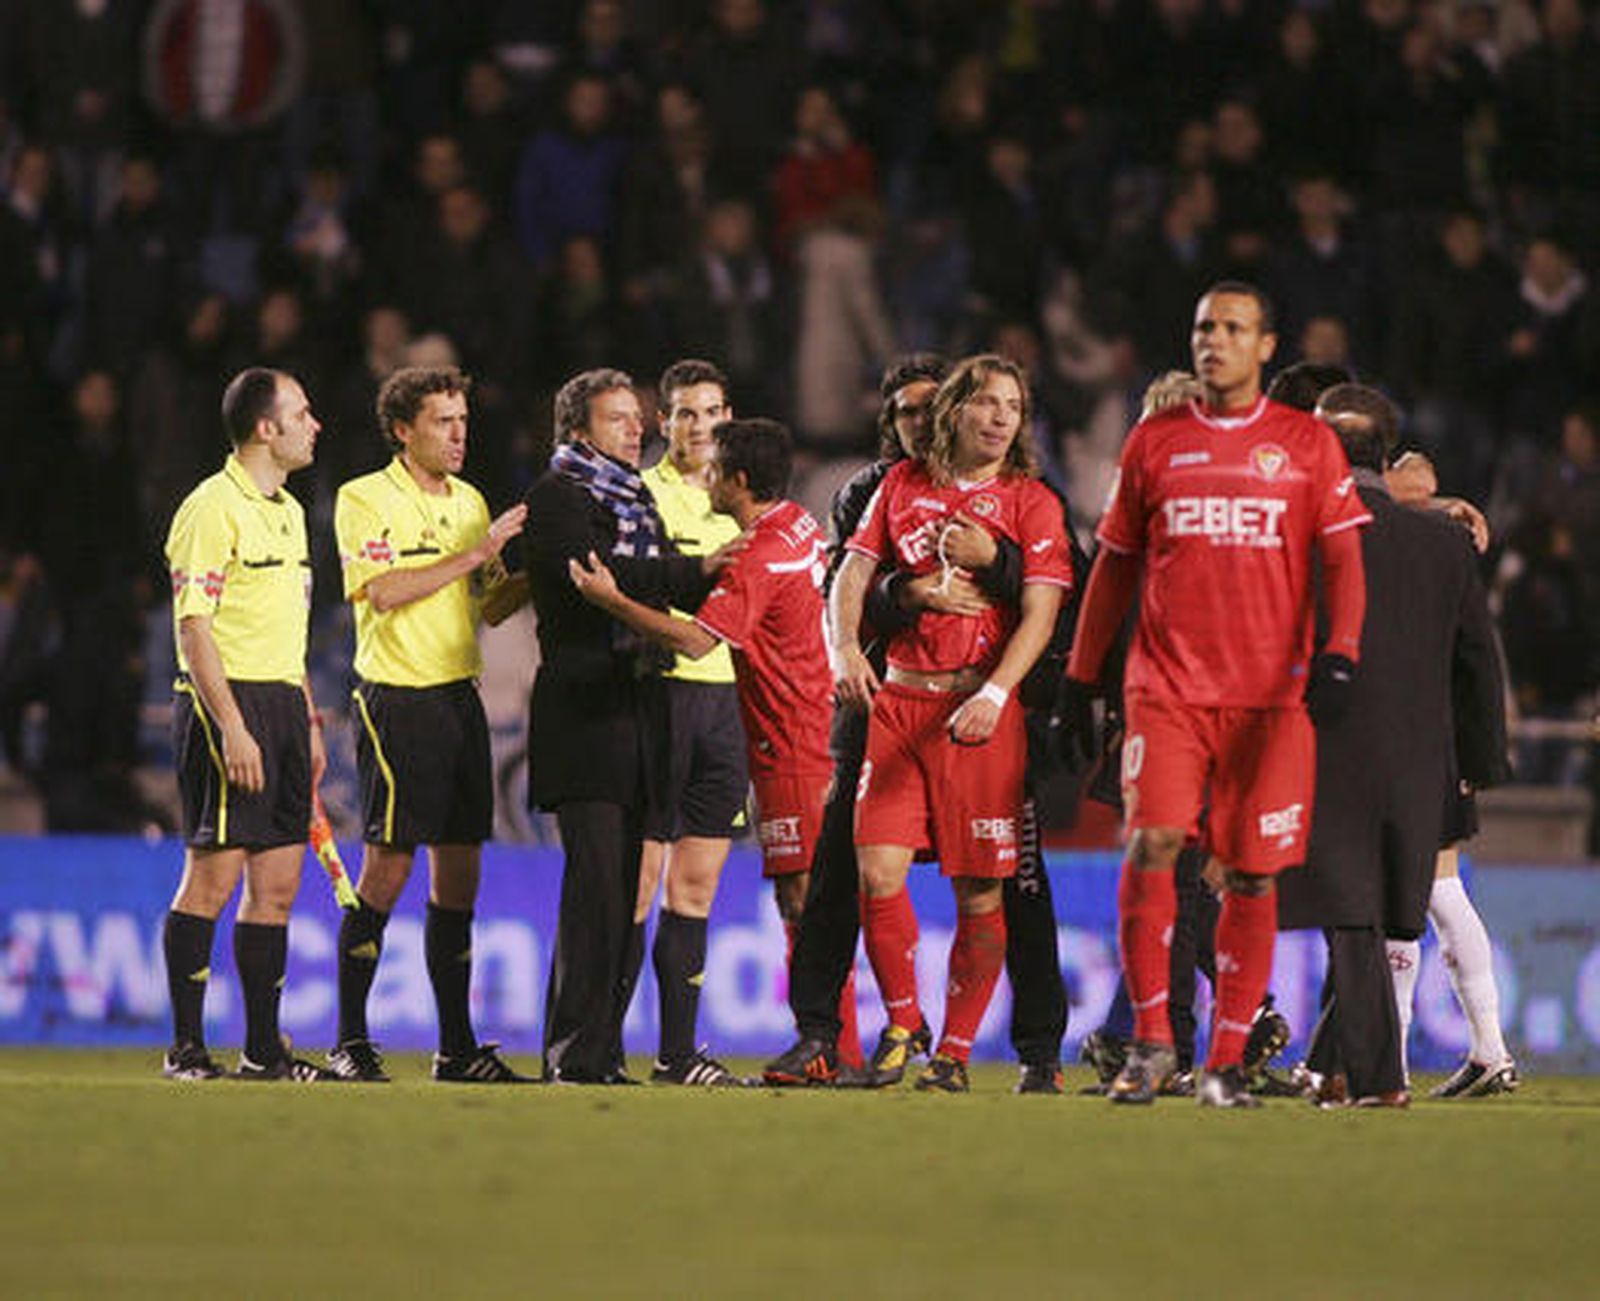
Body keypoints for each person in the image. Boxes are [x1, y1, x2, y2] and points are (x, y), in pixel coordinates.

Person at [1064, 282, 1371, 1107]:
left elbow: (1343, 561)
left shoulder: (1307, 445)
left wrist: (1340, 653)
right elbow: (1116, 564)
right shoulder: (1155, 441)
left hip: (1270, 698)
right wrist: (1081, 674)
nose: (1216, 341)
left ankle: (1227, 1060)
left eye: (1234, 328)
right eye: (1204, 327)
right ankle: (1152, 1041)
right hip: (1165, 689)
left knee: (1249, 875)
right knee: (1154, 841)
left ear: (1267, 345)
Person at [763, 353, 1077, 1093]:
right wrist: (845, 644)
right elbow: (848, 571)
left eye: (1013, 406)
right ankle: (904, 1021)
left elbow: (1047, 606)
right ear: (955, 413)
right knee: (872, 870)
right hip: (898, 703)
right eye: (988, 403)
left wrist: (998, 691)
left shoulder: (1032, 500)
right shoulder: (895, 486)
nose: (1001, 417)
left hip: (979, 710)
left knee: (986, 892)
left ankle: (961, 1055)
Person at [570, 417, 854, 1084]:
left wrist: (614, 600)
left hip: (795, 742)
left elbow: (699, 642)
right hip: (808, 730)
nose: (707, 476)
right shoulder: (799, 527)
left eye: (717, 467)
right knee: (807, 896)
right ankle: (824, 1046)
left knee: (804, 898)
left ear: (740, 480)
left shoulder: (758, 553)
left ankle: (828, 1046)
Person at [1277, 383, 1510, 1107]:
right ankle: (1348, 1065)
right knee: (1382, 912)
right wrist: (1480, 761)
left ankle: (1366, 1072)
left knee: (1351, 908)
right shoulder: (1441, 544)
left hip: (1327, 743)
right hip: (1421, 759)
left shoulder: (1304, 533)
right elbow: (1479, 657)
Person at [326, 365, 533, 1083]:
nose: (458, 433)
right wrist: (477, 552)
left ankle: (456, 1047)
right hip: (396, 698)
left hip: (457, 699)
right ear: (402, 429)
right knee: (388, 865)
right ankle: (349, 1039)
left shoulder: (471, 500)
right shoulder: (364, 497)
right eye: (443, 421)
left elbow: (486, 603)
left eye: (463, 420)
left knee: (461, 874)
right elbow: (383, 592)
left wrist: (533, 573)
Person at [518, 368, 723, 1084]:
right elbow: (606, 573)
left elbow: (647, 570)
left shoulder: (633, 496)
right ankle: (573, 1050)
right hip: (583, 710)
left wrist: (698, 571)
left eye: (637, 418)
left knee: (621, 891)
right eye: (617, 419)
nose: (636, 429)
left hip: (640, 707)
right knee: (596, 886)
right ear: (579, 430)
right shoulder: (556, 497)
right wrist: (694, 570)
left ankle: (599, 1050)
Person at [160, 367, 332, 1081]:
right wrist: (231, 724)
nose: (315, 423)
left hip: (285, 707)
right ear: (267, 427)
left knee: (279, 885)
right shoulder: (209, 507)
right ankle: (187, 1048)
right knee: (213, 875)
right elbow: (193, 627)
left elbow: (284, 628)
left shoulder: (289, 510)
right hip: (224, 705)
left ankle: (264, 1051)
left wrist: (309, 717)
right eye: (302, 411)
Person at [627, 359, 762, 1086]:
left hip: (724, 703)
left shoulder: (740, 502)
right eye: (685, 413)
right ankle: (593, 1046)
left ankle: (677, 1055)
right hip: (660, 696)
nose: (700, 427)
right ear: (663, 422)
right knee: (638, 883)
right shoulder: (640, 497)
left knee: (696, 890)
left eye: (711, 413)